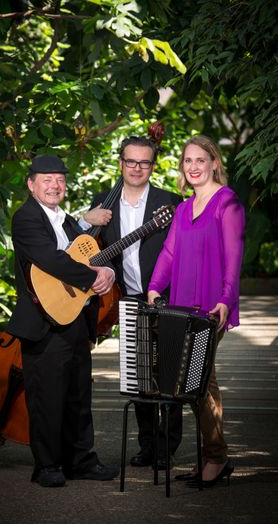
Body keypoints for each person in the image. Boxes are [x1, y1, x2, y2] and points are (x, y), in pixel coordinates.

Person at [7, 155, 119, 488]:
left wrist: (108, 270)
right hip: (43, 321)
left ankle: (81, 461)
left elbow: (86, 253)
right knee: (46, 397)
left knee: (78, 394)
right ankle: (46, 466)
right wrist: (92, 276)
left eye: (59, 180)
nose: (55, 185)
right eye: (47, 179)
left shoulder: (68, 221)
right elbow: (50, 259)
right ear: (31, 184)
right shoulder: (25, 217)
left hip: (74, 317)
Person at [147, 135, 245, 487]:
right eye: (187, 161)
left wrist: (226, 298)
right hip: (182, 305)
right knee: (194, 382)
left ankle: (216, 458)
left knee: (201, 381)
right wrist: (156, 285)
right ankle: (212, 456)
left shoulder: (227, 203)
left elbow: (234, 255)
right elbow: (170, 253)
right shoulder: (185, 208)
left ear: (214, 162)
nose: (193, 167)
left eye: (200, 160)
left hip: (211, 304)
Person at [82, 136, 184, 470]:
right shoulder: (103, 204)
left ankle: (166, 448)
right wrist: (86, 219)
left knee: (168, 373)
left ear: (153, 166)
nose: (137, 168)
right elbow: (83, 251)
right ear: (121, 163)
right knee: (140, 374)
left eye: (144, 162)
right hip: (126, 297)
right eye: (130, 161)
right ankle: (147, 444)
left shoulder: (171, 202)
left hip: (169, 296)